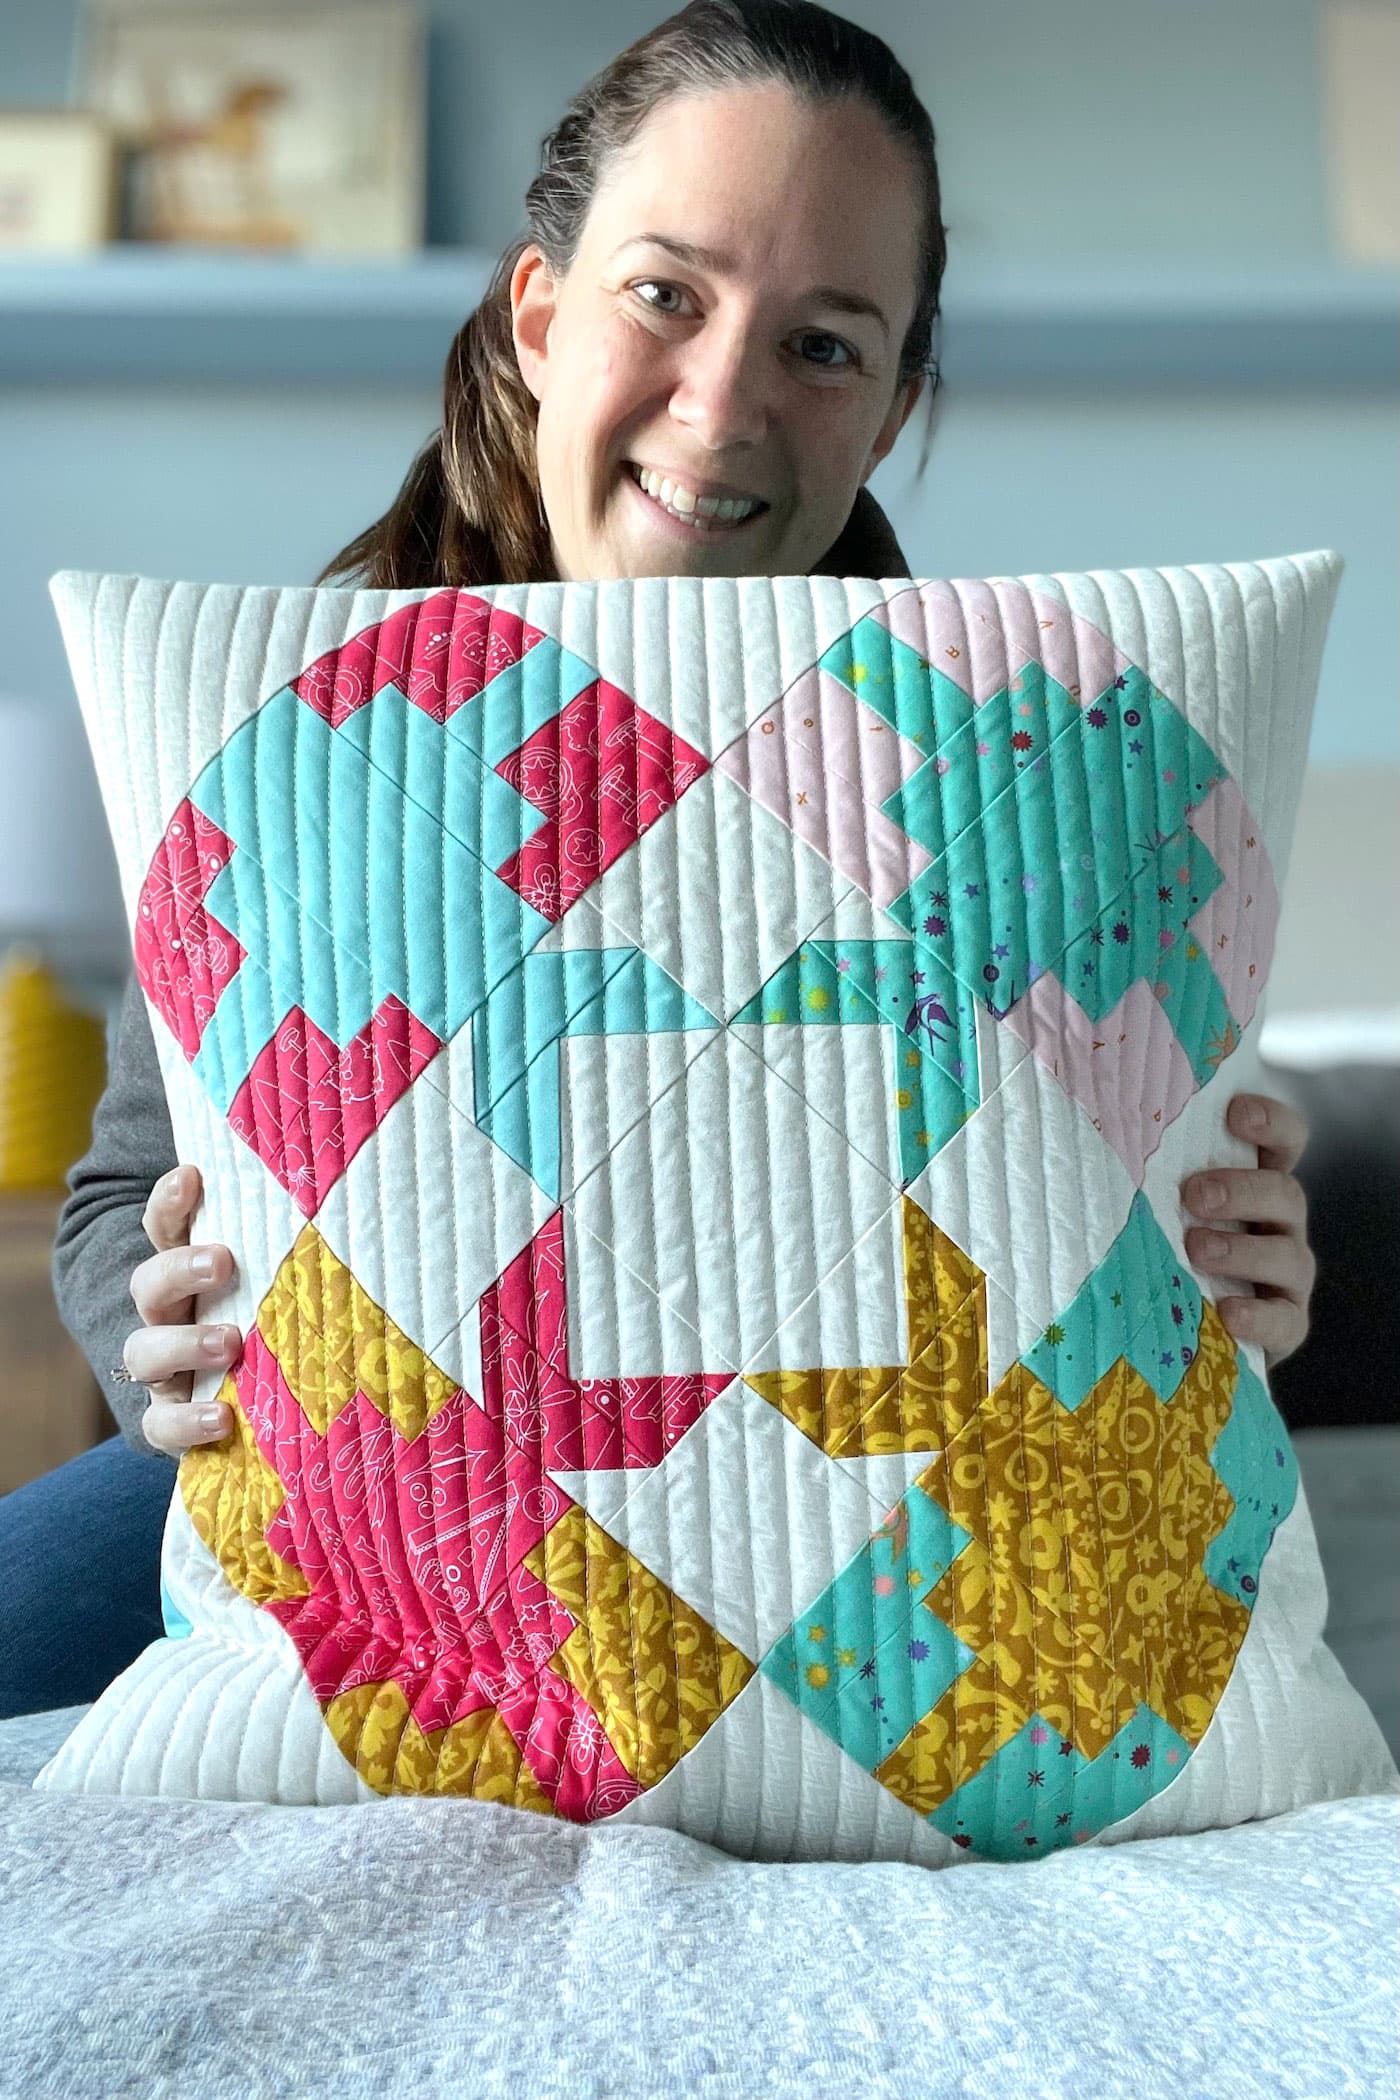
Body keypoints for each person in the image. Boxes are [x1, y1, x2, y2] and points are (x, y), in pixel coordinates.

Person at [2, 0, 1315, 1721]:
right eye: (666, 296)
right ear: (539, 313)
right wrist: (150, 1331)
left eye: (825, 344)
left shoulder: (1002, 774)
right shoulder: (311, 732)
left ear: (894, 404)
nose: (724, 402)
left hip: (876, 1501)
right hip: (387, 1491)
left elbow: (1115, 1200)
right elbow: (117, 1199)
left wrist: (1232, 1283)